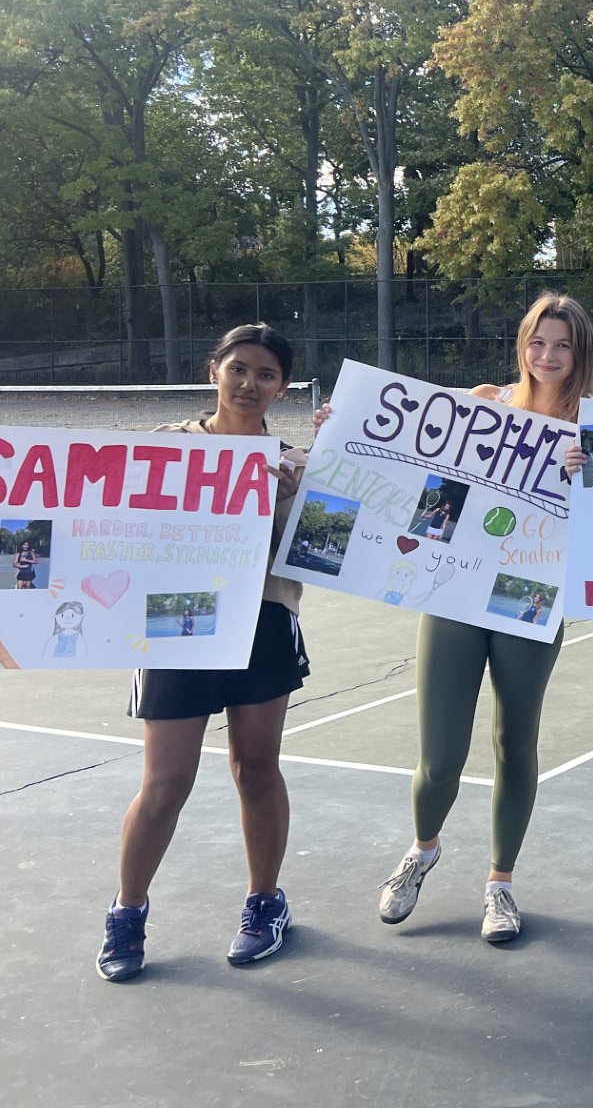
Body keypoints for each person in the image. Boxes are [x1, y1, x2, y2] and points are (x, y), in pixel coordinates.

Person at [375, 294, 593, 946]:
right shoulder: (484, 403)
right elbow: (431, 491)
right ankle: (423, 849)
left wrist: (591, 478)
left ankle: (499, 884)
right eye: (537, 342)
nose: (547, 356)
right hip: (456, 592)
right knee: (440, 757)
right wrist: (342, 428)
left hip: (532, 595)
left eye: (561, 345)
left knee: (514, 743)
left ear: (578, 353)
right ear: (521, 345)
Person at [96, 324, 312, 982]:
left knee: (255, 767)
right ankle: (127, 913)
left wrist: (291, 491)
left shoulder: (295, 462)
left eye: (266, 374)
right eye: (239, 368)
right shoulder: (168, 448)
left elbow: (323, 550)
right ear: (213, 370)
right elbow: (120, 526)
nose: (250, 383)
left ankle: (264, 903)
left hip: (262, 621)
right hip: (176, 624)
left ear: (282, 386)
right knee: (164, 785)